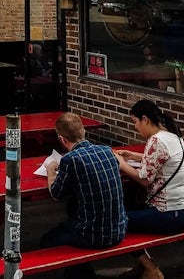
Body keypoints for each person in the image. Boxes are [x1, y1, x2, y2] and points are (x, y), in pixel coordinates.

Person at [114, 99, 184, 279]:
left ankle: (150, 269)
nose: (135, 127)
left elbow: (143, 180)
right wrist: (134, 155)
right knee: (130, 211)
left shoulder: (156, 140)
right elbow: (163, 160)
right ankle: (143, 265)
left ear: (145, 119)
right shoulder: (173, 136)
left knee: (117, 222)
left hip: (169, 214)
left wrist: (121, 163)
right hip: (183, 211)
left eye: (135, 122)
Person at [43, 112, 127, 279]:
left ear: (62, 139)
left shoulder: (70, 160)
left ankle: (83, 275)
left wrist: (51, 169)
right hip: (120, 229)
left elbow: (56, 194)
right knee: (72, 209)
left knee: (48, 240)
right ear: (84, 132)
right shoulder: (108, 152)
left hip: (93, 236)